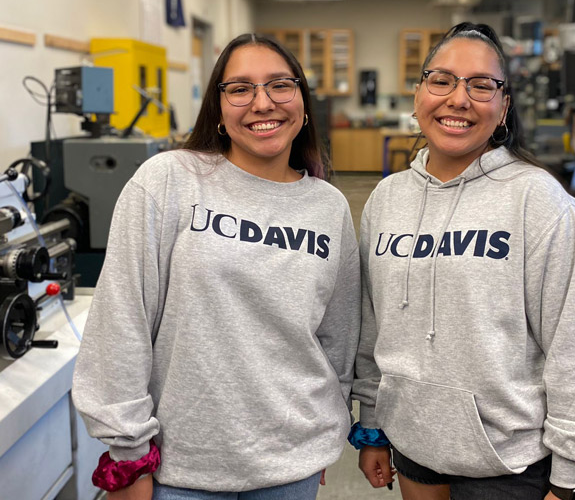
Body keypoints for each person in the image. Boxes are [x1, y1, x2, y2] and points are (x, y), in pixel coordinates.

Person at [72, 33, 361, 500]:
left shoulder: (327, 206)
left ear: (303, 103)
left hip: (291, 467)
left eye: (279, 86)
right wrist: (128, 458)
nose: (262, 103)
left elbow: (338, 337)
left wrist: (319, 433)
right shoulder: (169, 181)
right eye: (241, 88)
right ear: (219, 108)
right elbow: (121, 321)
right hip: (180, 471)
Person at [350, 22, 575, 500]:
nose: (459, 99)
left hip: (507, 461)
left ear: (503, 107)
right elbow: (375, 325)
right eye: (442, 80)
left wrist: (572, 475)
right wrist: (374, 424)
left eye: (482, 85)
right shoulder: (386, 200)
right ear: (419, 95)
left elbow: (574, 343)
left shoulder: (538, 201)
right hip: (413, 439)